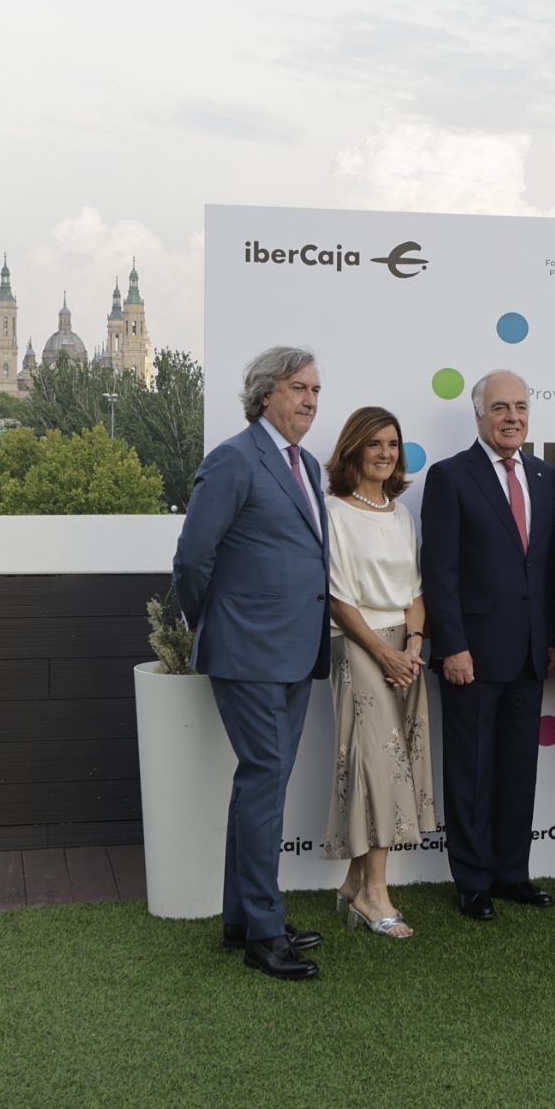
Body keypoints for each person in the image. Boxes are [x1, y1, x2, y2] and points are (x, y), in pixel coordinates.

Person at [172, 346, 331, 980]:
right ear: (266, 393)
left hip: (296, 649)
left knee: (261, 783)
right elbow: (192, 560)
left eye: (316, 389)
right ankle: (264, 935)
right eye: (299, 388)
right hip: (250, 651)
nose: (311, 400)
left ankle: (243, 915)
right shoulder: (234, 459)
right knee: (265, 780)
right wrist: (220, 624)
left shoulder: (307, 463)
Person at [420, 369, 555, 921]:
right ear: (478, 415)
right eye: (501, 407)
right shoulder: (451, 476)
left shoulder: (543, 474)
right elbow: (441, 570)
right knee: (472, 770)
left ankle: (511, 873)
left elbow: (545, 566)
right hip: (471, 654)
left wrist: (549, 636)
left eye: (521, 407)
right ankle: (473, 880)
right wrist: (451, 645)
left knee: (517, 770)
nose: (512, 417)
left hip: (529, 652)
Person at [320, 406, 438, 938]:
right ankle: (374, 894)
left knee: (396, 762)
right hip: (357, 646)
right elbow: (339, 600)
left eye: (393, 443)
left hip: (404, 649)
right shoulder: (334, 512)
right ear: (353, 450)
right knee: (378, 765)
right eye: (375, 444)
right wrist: (385, 655)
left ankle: (352, 883)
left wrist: (412, 645)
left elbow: (416, 591)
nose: (386, 453)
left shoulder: (400, 512)